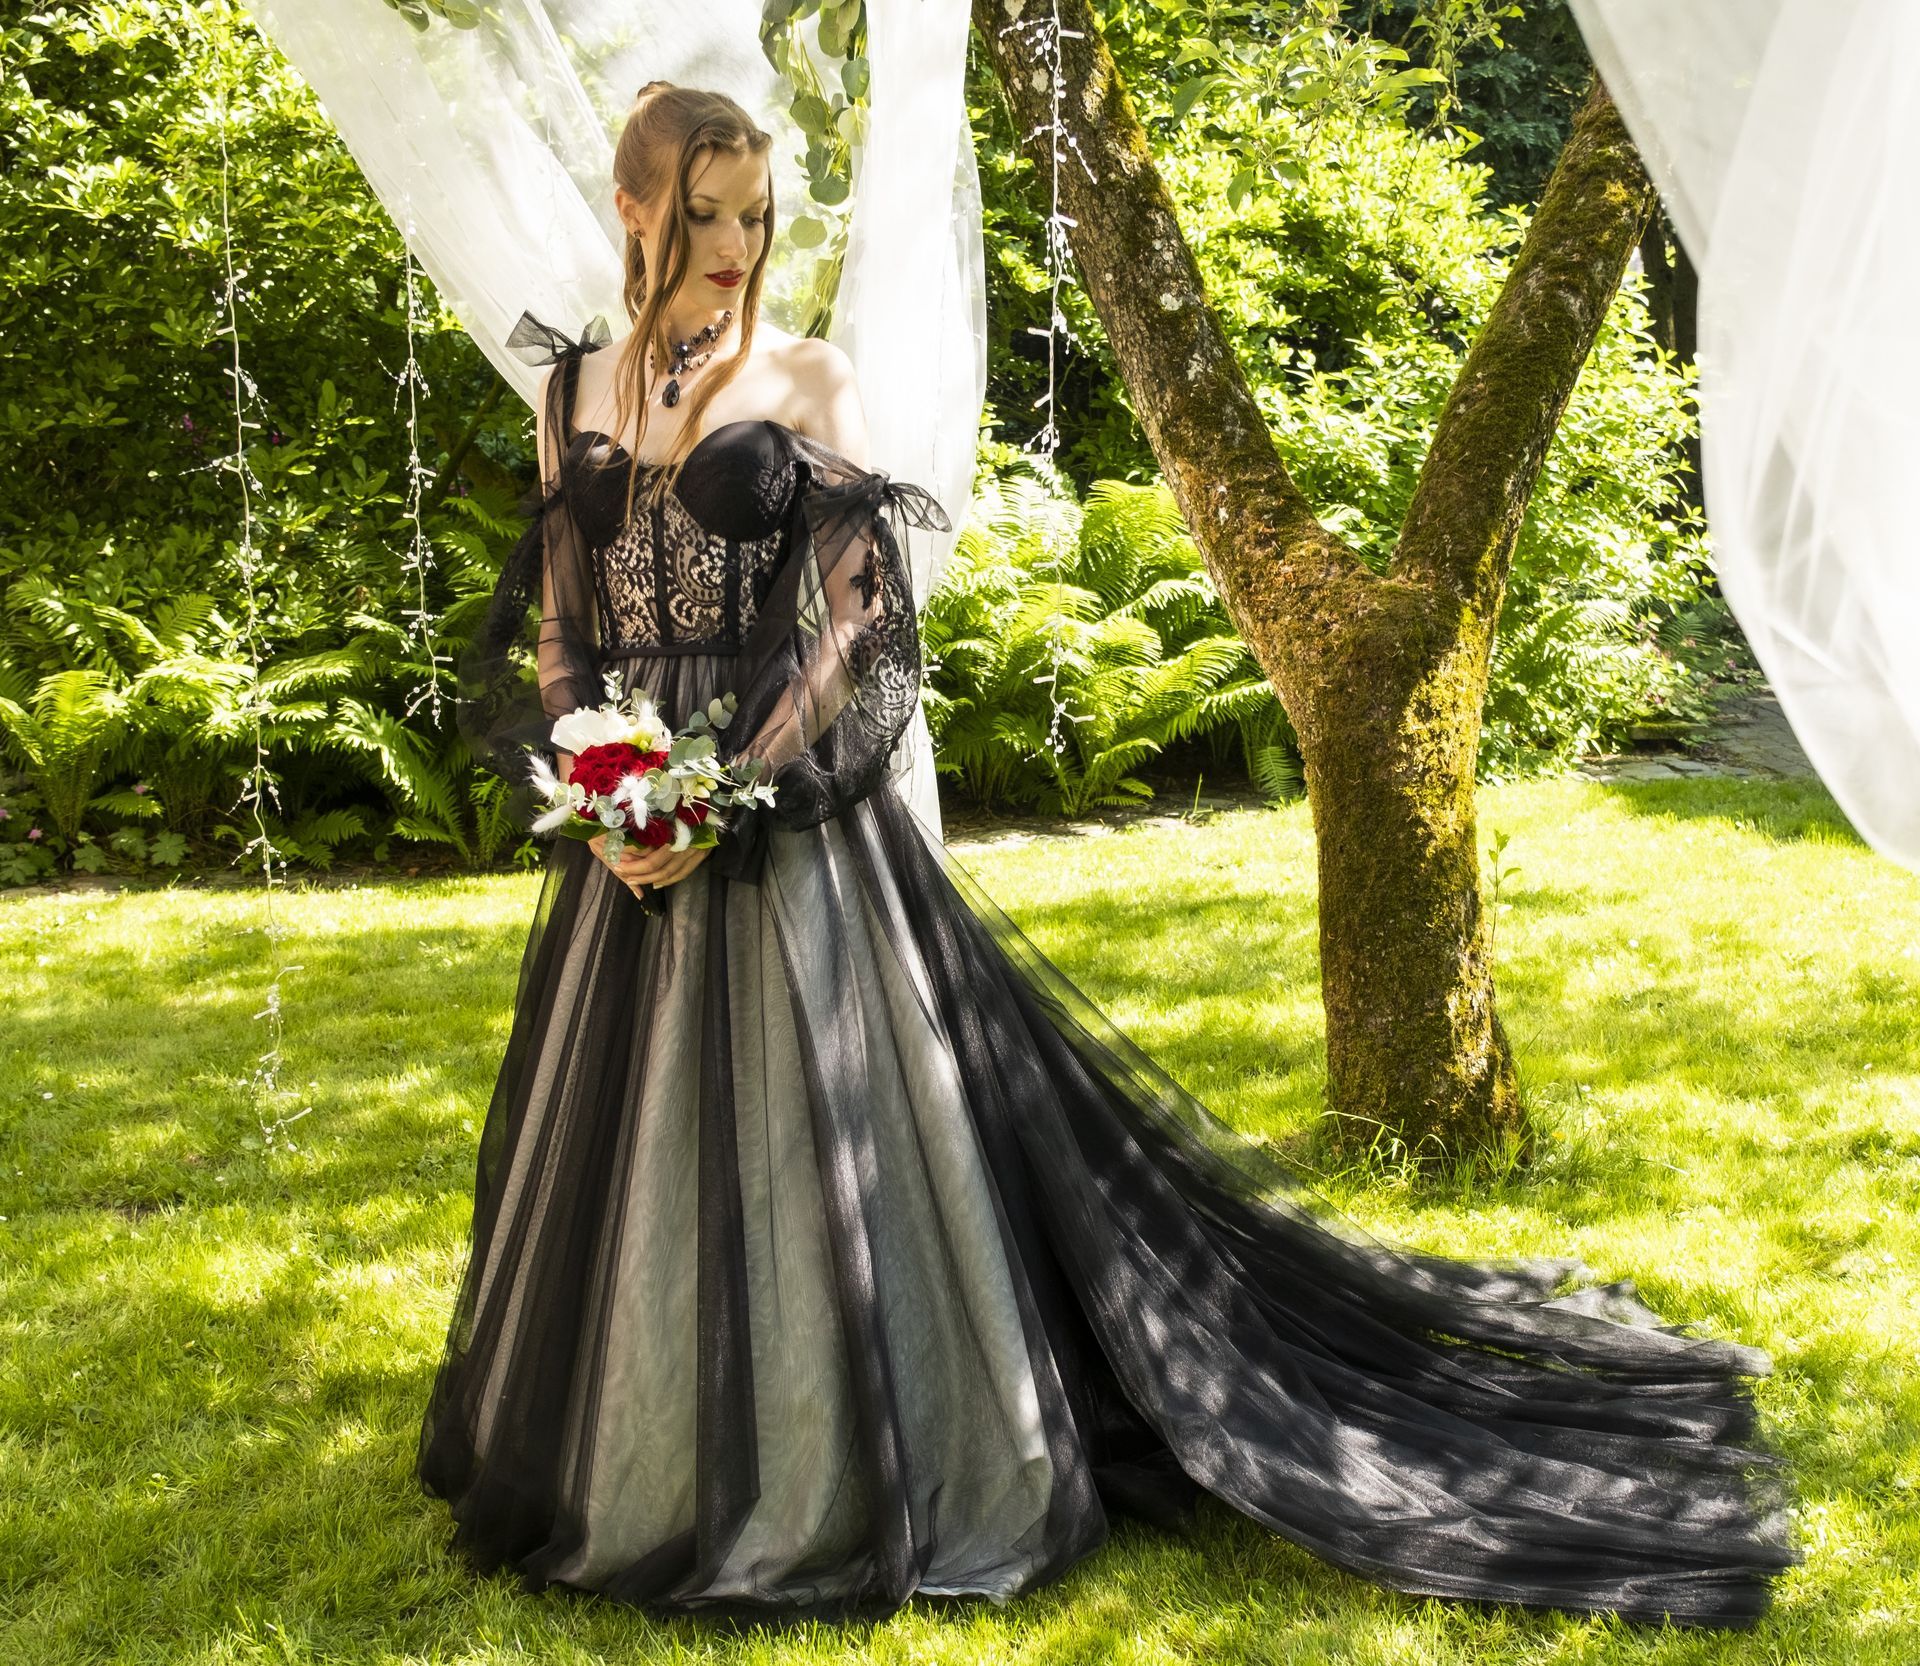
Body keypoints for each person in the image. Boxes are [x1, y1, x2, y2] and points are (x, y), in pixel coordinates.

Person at [417, 82, 1798, 1630]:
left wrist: (725, 788)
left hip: (777, 814)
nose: (739, 245)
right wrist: (604, 782)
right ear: (634, 211)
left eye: (756, 214)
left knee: (808, 1152)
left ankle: (829, 1464)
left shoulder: (808, 378)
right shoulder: (571, 390)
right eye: (707, 215)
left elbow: (860, 617)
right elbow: (560, 619)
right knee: (634, 1153)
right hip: (626, 835)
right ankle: (639, 1462)